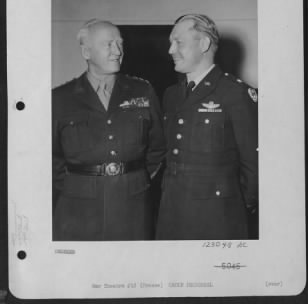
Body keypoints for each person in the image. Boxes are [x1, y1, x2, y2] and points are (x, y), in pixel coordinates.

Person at [52, 19, 165, 241]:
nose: (117, 51)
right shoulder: (60, 98)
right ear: (86, 52)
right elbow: (51, 158)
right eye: (108, 44)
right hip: (78, 207)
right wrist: (78, 185)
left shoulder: (143, 90)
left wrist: (134, 177)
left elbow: (159, 147)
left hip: (133, 204)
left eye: (120, 44)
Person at [156, 14, 258, 240]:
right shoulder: (171, 95)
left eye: (178, 42)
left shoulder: (236, 94)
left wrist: (239, 206)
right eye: (171, 43)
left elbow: (254, 165)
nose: (171, 50)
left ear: (203, 44)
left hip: (217, 217)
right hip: (170, 213)